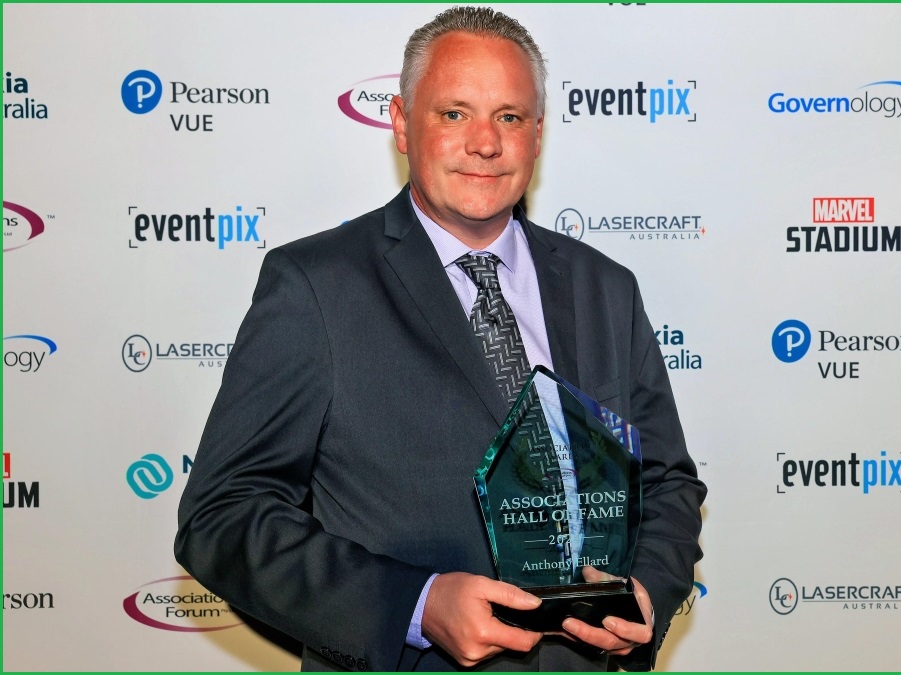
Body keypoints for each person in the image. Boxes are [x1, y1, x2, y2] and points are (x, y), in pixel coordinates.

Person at [174, 6, 705, 672]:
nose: (485, 142)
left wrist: (647, 593)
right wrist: (416, 603)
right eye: (454, 113)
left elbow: (665, 482)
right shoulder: (315, 286)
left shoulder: (606, 287)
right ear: (400, 124)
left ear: (536, 135)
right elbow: (223, 515)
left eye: (509, 117)